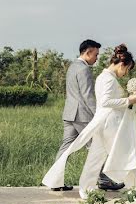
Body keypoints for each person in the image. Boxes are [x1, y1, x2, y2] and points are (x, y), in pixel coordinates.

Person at [43, 44, 136, 201]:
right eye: (127, 69)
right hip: (109, 125)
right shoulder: (108, 79)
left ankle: (86, 190)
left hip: (103, 123)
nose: (126, 73)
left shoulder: (104, 77)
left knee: (95, 159)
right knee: (124, 155)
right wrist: (129, 99)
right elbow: (105, 102)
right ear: (120, 64)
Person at [52, 39, 124, 192]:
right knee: (98, 146)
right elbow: (87, 96)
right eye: (96, 55)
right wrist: (98, 113)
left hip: (69, 114)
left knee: (65, 149)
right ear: (88, 52)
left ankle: (55, 181)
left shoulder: (72, 66)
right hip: (82, 115)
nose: (97, 58)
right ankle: (104, 180)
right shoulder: (84, 69)